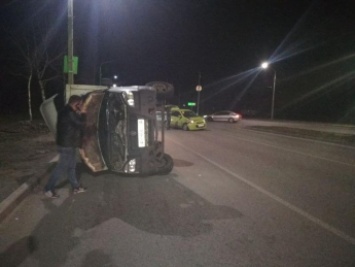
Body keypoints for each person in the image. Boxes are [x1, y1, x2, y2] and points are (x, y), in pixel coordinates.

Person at [44, 95, 87, 198]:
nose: (81, 106)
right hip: (66, 145)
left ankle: (76, 187)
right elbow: (81, 124)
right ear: (76, 103)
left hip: (69, 144)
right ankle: (48, 189)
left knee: (72, 167)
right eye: (80, 104)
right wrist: (83, 113)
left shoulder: (67, 111)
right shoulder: (69, 113)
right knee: (61, 167)